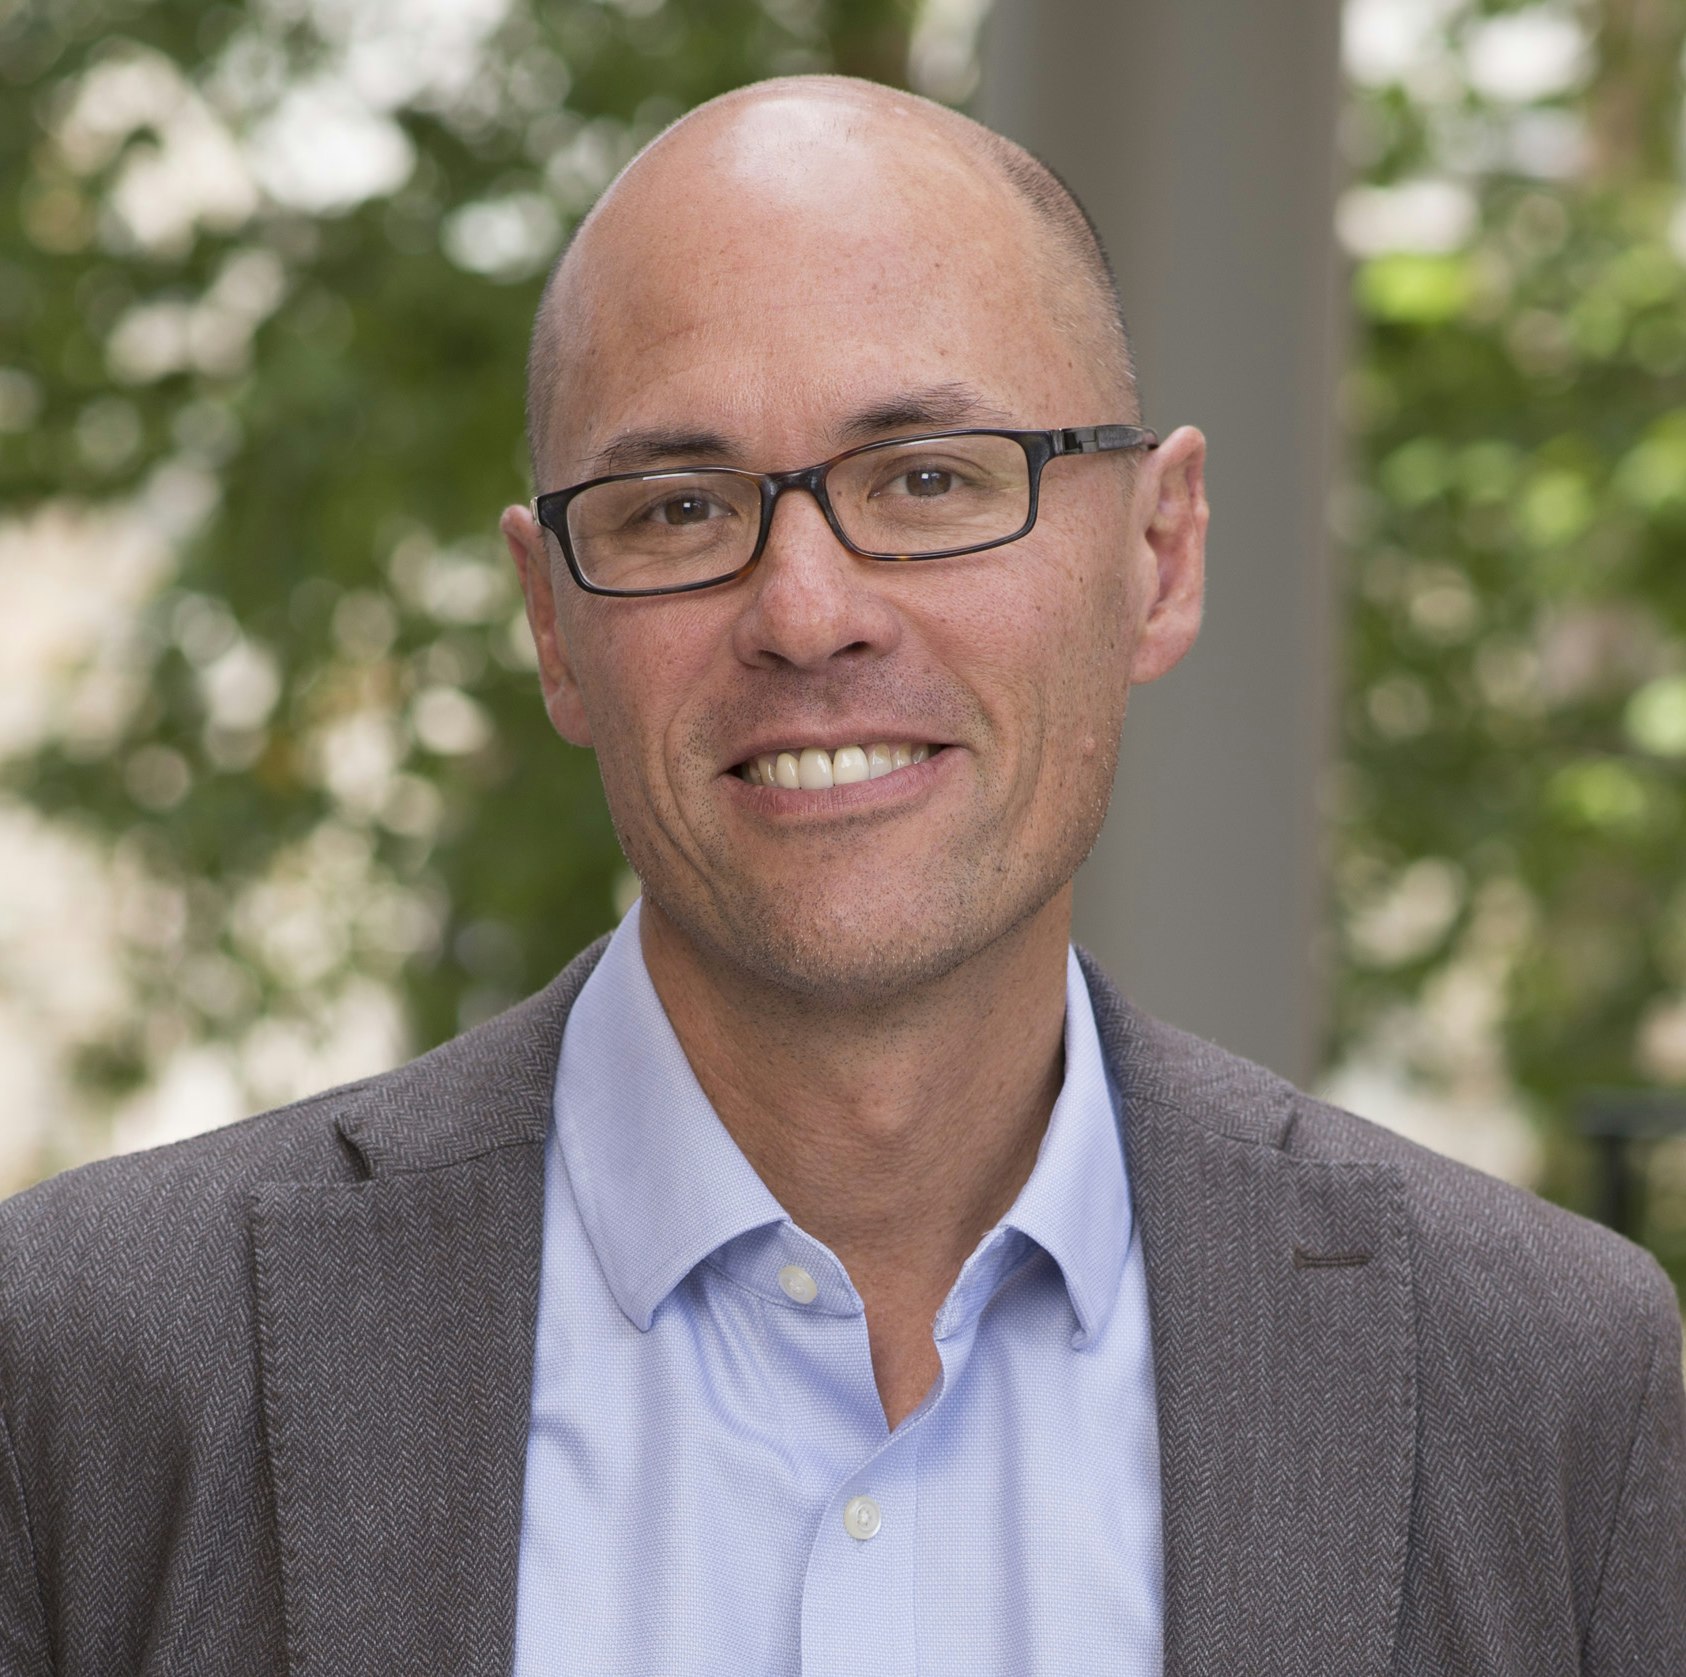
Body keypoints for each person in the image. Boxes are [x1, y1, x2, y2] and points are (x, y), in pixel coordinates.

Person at [1, 74, 1682, 1677]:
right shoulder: (89, 1364)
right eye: (674, 507)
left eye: (931, 480)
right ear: (552, 627)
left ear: (1157, 558)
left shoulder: (1548, 1386)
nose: (807, 611)